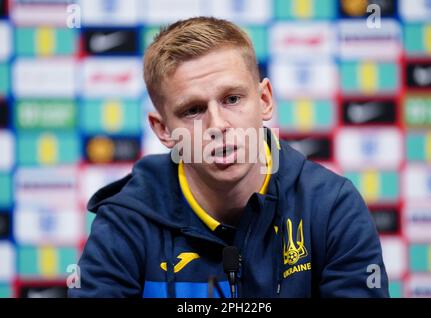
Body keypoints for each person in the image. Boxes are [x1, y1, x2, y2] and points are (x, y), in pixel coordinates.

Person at [68, 17, 389, 298]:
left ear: (264, 100)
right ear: (163, 129)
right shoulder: (126, 223)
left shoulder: (330, 207)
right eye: (193, 110)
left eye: (232, 99)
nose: (218, 126)